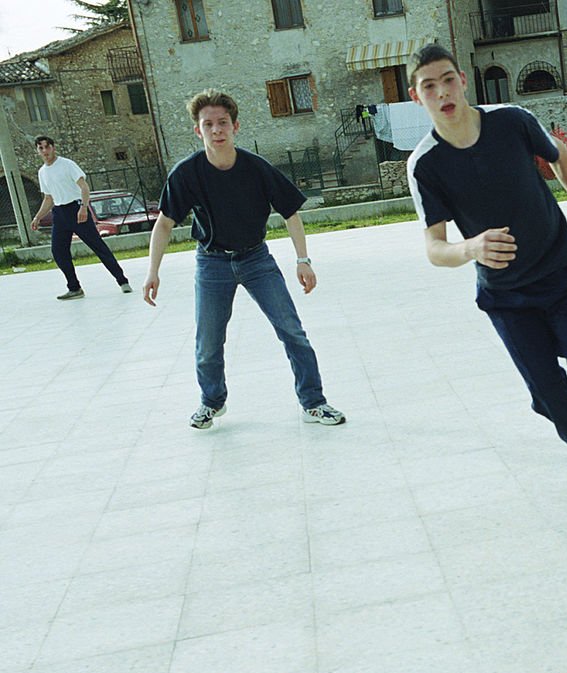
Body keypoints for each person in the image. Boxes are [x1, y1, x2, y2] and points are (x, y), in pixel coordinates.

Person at [406, 44, 567, 488]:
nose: (443, 92)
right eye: (430, 86)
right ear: (416, 96)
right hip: (506, 297)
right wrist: (471, 248)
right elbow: (434, 248)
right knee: (546, 393)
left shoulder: (511, 120)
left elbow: (559, 157)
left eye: (448, 79)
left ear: (463, 80)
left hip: (560, 272)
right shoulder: (425, 164)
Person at [142, 91, 344, 430]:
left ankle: (314, 402)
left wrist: (303, 260)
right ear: (198, 131)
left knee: (292, 331)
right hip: (212, 263)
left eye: (223, 123)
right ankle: (211, 402)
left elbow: (291, 212)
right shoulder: (187, 173)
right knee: (208, 342)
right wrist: (152, 271)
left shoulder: (256, 168)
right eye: (208, 124)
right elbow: (163, 224)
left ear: (235, 126)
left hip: (256, 258)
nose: (216, 130)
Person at [29, 136, 132, 300]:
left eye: (47, 147)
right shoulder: (42, 172)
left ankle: (122, 281)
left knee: (98, 246)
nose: (44, 151)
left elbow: (84, 187)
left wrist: (83, 207)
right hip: (60, 214)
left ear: (53, 148)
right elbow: (48, 198)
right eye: (40, 148)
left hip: (76, 210)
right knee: (58, 251)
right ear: (37, 151)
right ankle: (74, 287)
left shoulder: (67, 164)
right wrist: (38, 217)